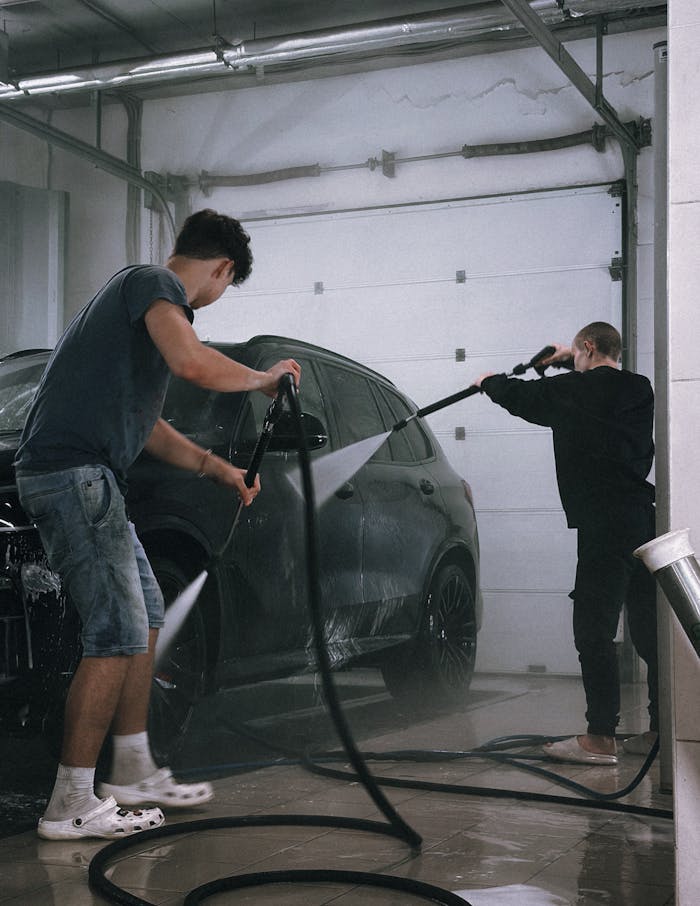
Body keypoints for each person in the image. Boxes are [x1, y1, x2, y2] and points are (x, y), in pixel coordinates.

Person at [14, 209, 301, 839]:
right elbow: (193, 362)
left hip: (89, 476)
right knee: (117, 630)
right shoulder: (153, 283)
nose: (215, 297)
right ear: (222, 268)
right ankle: (69, 802)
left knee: (143, 615)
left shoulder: (132, 314)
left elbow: (147, 425)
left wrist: (217, 468)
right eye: (225, 284)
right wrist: (264, 378)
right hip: (74, 474)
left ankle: (134, 770)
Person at [473, 322, 658, 765]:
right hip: (643, 520)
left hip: (603, 524)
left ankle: (599, 738)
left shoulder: (575, 390)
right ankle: (660, 731)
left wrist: (489, 383)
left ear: (588, 348)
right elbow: (577, 396)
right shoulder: (639, 387)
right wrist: (560, 365)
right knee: (651, 634)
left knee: (593, 630)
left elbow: (527, 401)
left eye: (577, 354)